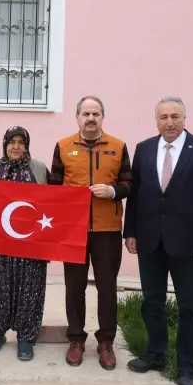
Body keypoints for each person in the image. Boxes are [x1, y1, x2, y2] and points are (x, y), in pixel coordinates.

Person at [123, 96, 193, 385]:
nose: (169, 122)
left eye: (175, 116)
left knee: (188, 307)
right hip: (150, 240)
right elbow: (136, 194)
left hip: (188, 245)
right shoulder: (144, 149)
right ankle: (155, 354)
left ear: (184, 119)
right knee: (152, 301)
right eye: (164, 117)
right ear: (156, 121)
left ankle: (187, 367)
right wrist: (131, 232)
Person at [50, 96, 133, 370]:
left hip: (107, 229)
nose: (90, 118)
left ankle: (106, 341)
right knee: (74, 287)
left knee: (107, 287)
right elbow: (53, 187)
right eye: (85, 113)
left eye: (95, 113)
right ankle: (76, 339)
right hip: (73, 230)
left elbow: (130, 184)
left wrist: (112, 191)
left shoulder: (118, 146)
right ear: (77, 117)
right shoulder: (63, 146)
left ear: (102, 117)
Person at [0, 126, 50, 361]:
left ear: (27, 146)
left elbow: (54, 201)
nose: (16, 147)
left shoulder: (39, 169)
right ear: (5, 144)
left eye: (21, 142)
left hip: (31, 246)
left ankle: (26, 337)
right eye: (12, 142)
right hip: (0, 245)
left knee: (30, 290)